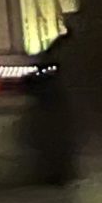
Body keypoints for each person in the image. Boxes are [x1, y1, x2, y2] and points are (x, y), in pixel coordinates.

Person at [21, 22, 79, 187]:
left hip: (57, 102)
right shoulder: (68, 47)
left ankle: (56, 173)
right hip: (61, 101)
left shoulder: (61, 46)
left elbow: (43, 65)